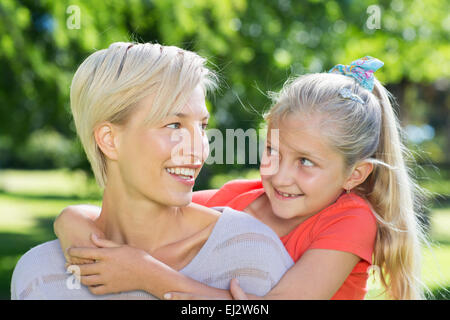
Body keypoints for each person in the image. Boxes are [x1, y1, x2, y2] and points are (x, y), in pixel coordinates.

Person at [52, 56, 429, 300]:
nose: (280, 176)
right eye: (272, 152)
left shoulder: (351, 219)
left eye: (306, 163)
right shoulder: (238, 199)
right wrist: (71, 226)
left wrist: (148, 275)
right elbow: (102, 216)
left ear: (354, 174)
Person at [10, 42, 294, 300]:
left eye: (202, 127)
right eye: (174, 125)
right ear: (110, 139)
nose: (200, 150)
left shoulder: (252, 253)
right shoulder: (39, 275)